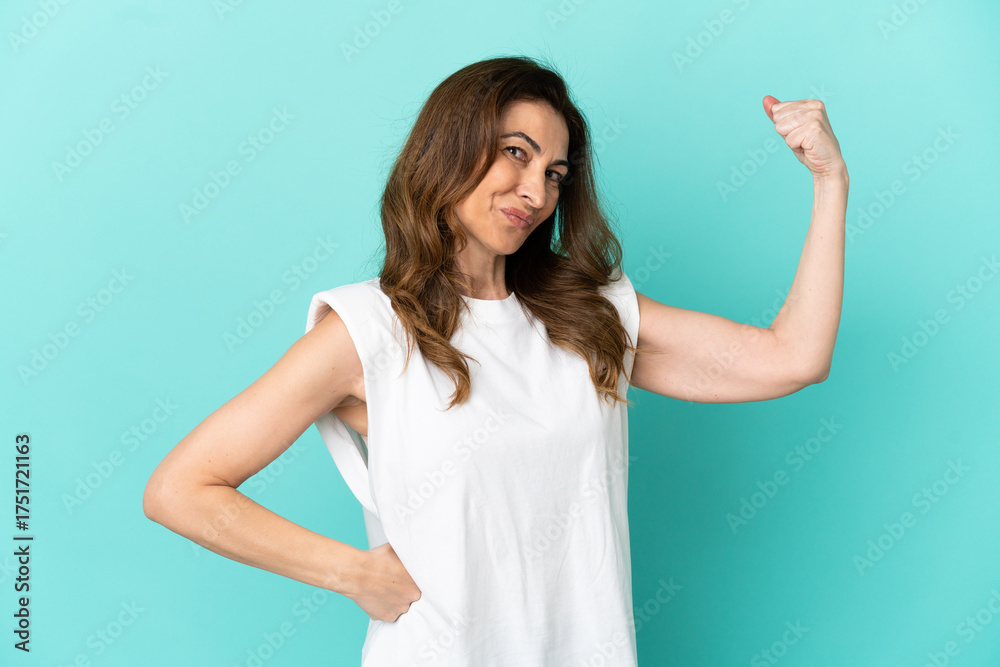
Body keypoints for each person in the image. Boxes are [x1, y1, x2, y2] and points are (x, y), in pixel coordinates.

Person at [143, 55, 848, 665]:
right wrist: (353, 572)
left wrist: (829, 182)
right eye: (515, 152)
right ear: (451, 146)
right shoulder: (372, 328)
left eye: (555, 172)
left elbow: (794, 357)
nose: (536, 191)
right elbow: (181, 487)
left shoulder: (588, 315)